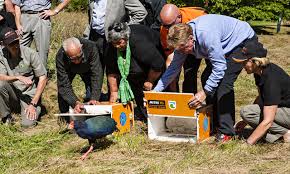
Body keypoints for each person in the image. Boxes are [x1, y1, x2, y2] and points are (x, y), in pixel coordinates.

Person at [154, 14, 266, 141]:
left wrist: (204, 92)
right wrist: (154, 92)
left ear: (191, 38)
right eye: (179, 50)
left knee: (224, 83)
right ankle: (213, 123)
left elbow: (220, 68)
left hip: (241, 40)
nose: (183, 52)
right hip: (223, 43)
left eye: (184, 48)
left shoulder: (207, 35)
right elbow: (173, 69)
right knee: (207, 77)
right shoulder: (182, 44)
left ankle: (227, 132)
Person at [84, 0, 147, 103]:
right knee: (94, 69)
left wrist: (124, 30)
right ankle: (93, 100)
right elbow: (91, 18)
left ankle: (117, 102)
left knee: (113, 70)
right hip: (95, 37)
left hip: (113, 38)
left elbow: (141, 12)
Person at [232, 45, 290, 144]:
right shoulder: (259, 72)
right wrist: (245, 121)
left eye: (244, 62)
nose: (242, 66)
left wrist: (248, 143)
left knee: (248, 112)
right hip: (284, 110)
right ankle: (278, 134)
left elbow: (268, 121)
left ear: (255, 62)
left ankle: (286, 132)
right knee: (248, 113)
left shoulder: (271, 80)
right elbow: (262, 97)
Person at [107, 22, 165, 121]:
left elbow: (158, 64)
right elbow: (111, 69)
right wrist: (114, 92)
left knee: (149, 86)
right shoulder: (112, 46)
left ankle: (161, 116)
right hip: (138, 65)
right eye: (114, 43)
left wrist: (150, 81)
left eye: (119, 43)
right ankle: (144, 114)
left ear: (126, 38)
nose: (116, 46)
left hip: (156, 63)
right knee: (134, 75)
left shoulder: (140, 44)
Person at [0, 27, 47, 127]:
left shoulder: (30, 53)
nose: (15, 46)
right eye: (11, 44)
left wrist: (33, 103)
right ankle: (6, 116)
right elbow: (1, 77)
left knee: (27, 125)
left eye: (16, 42)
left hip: (29, 95)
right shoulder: (1, 55)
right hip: (13, 93)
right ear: (4, 45)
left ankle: (32, 107)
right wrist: (18, 77)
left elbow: (43, 77)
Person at [159, 4, 208, 92]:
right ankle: (188, 101)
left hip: (205, 42)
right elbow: (170, 56)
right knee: (189, 72)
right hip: (186, 47)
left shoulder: (197, 16)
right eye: (165, 26)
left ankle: (211, 100)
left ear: (179, 17)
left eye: (170, 25)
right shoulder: (164, 29)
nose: (168, 29)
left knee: (208, 74)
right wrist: (171, 84)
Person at [56, 37, 103, 123]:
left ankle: (91, 117)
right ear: (65, 53)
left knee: (92, 95)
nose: (77, 61)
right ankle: (66, 118)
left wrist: (94, 97)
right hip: (69, 69)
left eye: (79, 56)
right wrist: (75, 102)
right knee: (62, 93)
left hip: (88, 69)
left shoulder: (91, 47)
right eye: (73, 58)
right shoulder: (60, 56)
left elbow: (97, 74)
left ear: (81, 47)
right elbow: (63, 85)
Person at [12, 0, 71, 67]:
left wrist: (54, 11)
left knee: (42, 51)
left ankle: (41, 75)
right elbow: (16, 5)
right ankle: (20, 73)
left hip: (41, 17)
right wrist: (18, 24)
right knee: (18, 48)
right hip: (24, 17)